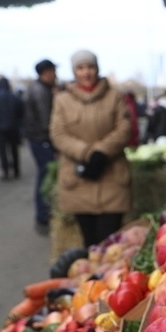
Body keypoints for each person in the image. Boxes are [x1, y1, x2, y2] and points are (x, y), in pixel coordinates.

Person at [50, 49, 132, 248]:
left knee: (111, 242)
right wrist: (86, 153)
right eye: (80, 68)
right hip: (79, 179)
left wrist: (102, 152)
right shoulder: (62, 100)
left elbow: (124, 128)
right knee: (90, 242)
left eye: (90, 67)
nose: (86, 72)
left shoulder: (114, 96)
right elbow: (58, 134)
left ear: (97, 69)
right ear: (74, 72)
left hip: (112, 177)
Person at [24, 59, 58, 236]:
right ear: (46, 72)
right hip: (41, 139)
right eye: (53, 71)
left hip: (37, 138)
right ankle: (43, 216)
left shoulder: (38, 89)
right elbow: (47, 120)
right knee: (44, 177)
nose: (56, 75)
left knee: (44, 175)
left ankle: (44, 214)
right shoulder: (40, 91)